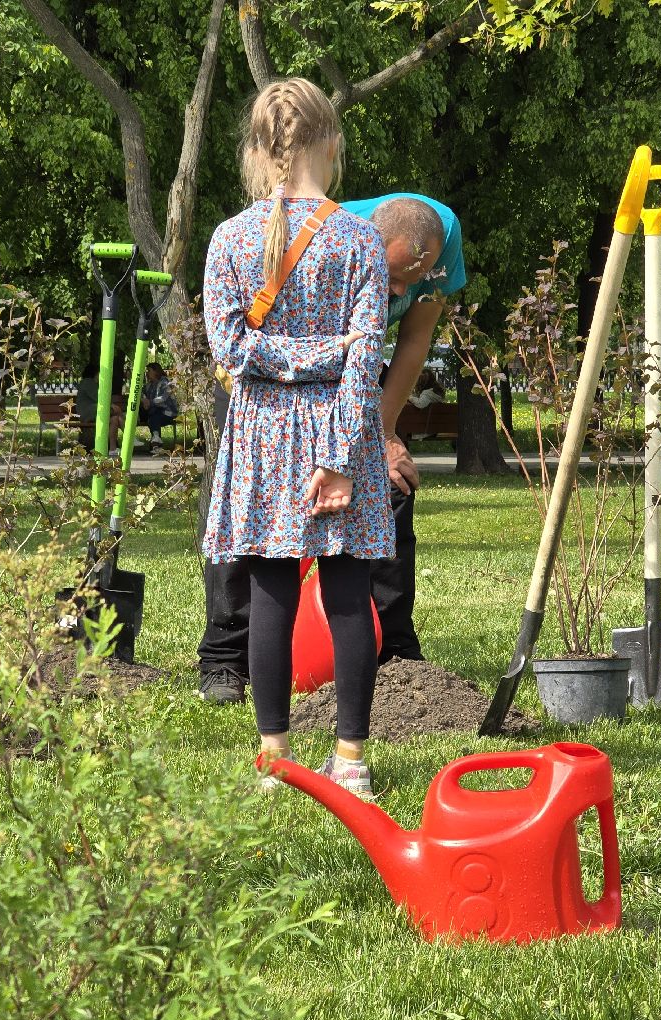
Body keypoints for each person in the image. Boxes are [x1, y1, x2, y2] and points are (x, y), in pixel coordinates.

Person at [197, 191, 467, 705]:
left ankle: (394, 652)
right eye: (394, 276)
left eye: (413, 280)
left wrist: (381, 435)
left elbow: (412, 341)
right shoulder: (337, 236)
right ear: (369, 249)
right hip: (268, 379)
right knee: (255, 510)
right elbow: (242, 338)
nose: (400, 291)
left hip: (351, 375)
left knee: (389, 487)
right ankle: (225, 656)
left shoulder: (441, 235)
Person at [203, 77, 391, 798]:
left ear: (260, 150)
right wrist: (338, 450)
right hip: (340, 428)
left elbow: (232, 349)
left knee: (270, 596)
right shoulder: (359, 238)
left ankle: (275, 760)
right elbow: (364, 359)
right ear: (331, 143)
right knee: (348, 593)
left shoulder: (229, 239)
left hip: (261, 434)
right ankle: (351, 760)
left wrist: (283, 357)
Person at [139, 361, 179, 453]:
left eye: (149, 371)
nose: (147, 373)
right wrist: (144, 399)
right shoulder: (149, 385)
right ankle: (156, 444)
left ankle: (156, 445)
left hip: (168, 413)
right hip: (154, 411)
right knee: (150, 415)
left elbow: (163, 398)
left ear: (156, 371)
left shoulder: (166, 383)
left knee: (154, 416)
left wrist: (150, 402)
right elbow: (140, 392)